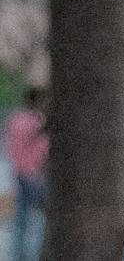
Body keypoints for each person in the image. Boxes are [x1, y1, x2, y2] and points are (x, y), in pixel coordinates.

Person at [6, 86, 47, 261]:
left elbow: (11, 147)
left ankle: (18, 255)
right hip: (35, 175)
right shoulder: (38, 121)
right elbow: (43, 149)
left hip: (19, 172)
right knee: (38, 220)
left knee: (21, 218)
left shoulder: (15, 119)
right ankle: (31, 255)